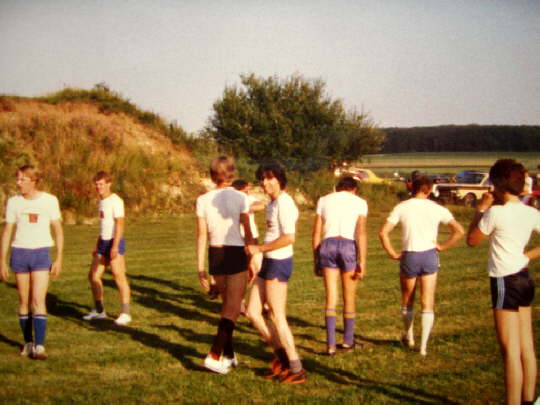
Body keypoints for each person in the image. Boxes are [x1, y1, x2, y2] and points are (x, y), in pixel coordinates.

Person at [467, 159, 539, 405]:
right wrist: (526, 256)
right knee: (526, 347)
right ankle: (529, 400)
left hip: (504, 281)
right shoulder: (530, 212)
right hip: (524, 279)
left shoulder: (495, 213)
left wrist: (481, 209)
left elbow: (472, 240)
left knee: (509, 351)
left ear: (497, 184)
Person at [379, 175, 464, 356]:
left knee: (407, 300)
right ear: (429, 189)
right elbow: (459, 231)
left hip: (409, 255)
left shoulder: (402, 207)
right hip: (429, 255)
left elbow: (383, 233)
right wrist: (442, 246)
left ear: (412, 187)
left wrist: (393, 253)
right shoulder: (437, 208)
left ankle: (409, 337)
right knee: (427, 302)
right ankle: (423, 347)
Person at [245, 162, 306, 384]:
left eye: (270, 178)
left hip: (279, 262)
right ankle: (281, 357)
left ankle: (296, 367)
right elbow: (272, 234)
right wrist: (257, 255)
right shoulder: (272, 203)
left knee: (276, 315)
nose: (265, 182)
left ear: (280, 179)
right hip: (267, 262)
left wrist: (259, 249)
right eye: (262, 178)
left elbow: (289, 238)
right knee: (252, 312)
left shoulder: (285, 203)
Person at [196, 157, 254, 374]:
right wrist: (254, 257)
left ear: (212, 175)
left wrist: (200, 267)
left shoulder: (202, 200)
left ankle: (228, 355)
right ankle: (213, 354)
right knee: (233, 308)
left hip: (215, 253)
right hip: (235, 252)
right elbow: (248, 232)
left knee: (227, 307)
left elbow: (201, 235)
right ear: (232, 173)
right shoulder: (241, 197)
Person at [0, 165, 64, 360]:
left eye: (22, 180)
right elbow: (7, 232)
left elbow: (58, 230)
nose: (18, 183)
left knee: (38, 300)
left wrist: (59, 258)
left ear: (33, 181)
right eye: (17, 179)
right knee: (23, 301)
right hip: (20, 253)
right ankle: (28, 342)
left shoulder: (50, 200)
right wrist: (2, 261)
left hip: (41, 254)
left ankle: (40, 346)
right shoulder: (13, 202)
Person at [312, 176, 367, 355]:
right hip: (347, 245)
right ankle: (348, 341)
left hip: (327, 245)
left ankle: (330, 345)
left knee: (331, 297)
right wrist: (362, 261)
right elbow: (361, 233)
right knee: (349, 296)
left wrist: (316, 259)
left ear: (337, 187)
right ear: (354, 189)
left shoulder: (323, 200)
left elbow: (317, 232)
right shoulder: (360, 202)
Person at [83, 171, 132, 326]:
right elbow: (104, 225)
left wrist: (115, 246)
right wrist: (98, 244)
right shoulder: (101, 201)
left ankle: (125, 313)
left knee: (119, 276)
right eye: (96, 184)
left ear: (109, 184)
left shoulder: (115, 200)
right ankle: (99, 311)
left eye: (101, 184)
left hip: (114, 242)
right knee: (93, 276)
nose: (98, 187)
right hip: (103, 243)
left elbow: (120, 224)